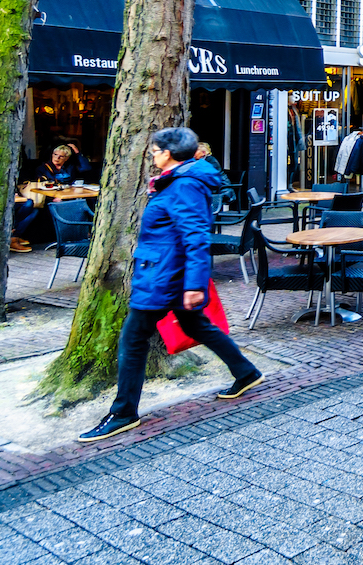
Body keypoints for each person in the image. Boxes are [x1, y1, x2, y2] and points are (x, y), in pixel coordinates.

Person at [80, 127, 262, 442]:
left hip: (164, 275)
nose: (151, 153)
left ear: (168, 153)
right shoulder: (180, 182)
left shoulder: (183, 186)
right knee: (196, 326)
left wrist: (194, 285)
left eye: (155, 149)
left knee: (133, 339)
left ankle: (123, 413)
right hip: (166, 271)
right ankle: (246, 372)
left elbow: (195, 236)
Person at [12, 144, 89, 253]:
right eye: (55, 154)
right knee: (36, 208)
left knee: (81, 201)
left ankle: (81, 233)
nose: (56, 158)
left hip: (66, 195)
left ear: (66, 158)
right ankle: (14, 235)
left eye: (60, 156)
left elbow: (85, 168)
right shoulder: (43, 168)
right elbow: (41, 187)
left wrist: (77, 152)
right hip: (48, 197)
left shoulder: (69, 168)